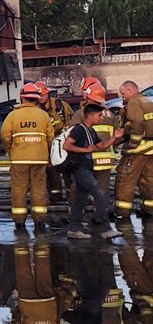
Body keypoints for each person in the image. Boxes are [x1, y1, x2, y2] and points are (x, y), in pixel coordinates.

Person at [63, 103, 125, 240]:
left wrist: (115, 137)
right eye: (99, 115)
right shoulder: (79, 130)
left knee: (80, 199)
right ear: (90, 116)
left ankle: (74, 228)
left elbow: (101, 146)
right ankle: (106, 228)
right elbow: (67, 145)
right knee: (99, 194)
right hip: (80, 168)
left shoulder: (90, 131)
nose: (102, 118)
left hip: (87, 167)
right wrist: (85, 150)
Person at [1, 83, 55, 229]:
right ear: (37, 99)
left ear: (22, 97)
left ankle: (19, 220)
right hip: (40, 158)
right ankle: (39, 220)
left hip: (19, 159)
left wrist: (11, 150)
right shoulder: (43, 115)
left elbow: (5, 136)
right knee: (39, 189)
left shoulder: (13, 115)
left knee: (19, 189)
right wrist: (48, 154)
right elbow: (51, 138)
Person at [12, 231, 62, 324]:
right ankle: (21, 247)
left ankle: (42, 246)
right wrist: (17, 309)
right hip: (27, 303)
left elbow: (60, 322)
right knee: (23, 274)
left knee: (44, 274)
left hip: (48, 304)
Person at [67, 84, 120, 217]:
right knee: (102, 188)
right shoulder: (110, 114)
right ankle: (101, 216)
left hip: (87, 159)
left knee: (79, 187)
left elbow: (72, 134)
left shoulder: (82, 113)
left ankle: (75, 215)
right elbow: (117, 136)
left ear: (88, 97)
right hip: (105, 158)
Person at [116, 80, 153, 220]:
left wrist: (133, 142)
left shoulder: (133, 102)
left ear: (130, 90)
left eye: (123, 93)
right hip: (151, 148)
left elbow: (136, 123)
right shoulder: (147, 101)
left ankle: (122, 213)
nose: (123, 97)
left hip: (138, 149)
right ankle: (149, 209)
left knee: (125, 180)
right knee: (149, 180)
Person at [38, 81, 74, 202]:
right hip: (46, 145)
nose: (41, 98)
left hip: (63, 143)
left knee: (67, 170)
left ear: (47, 94)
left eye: (42, 95)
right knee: (50, 172)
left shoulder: (61, 106)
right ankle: (55, 196)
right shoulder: (35, 109)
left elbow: (71, 122)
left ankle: (72, 197)